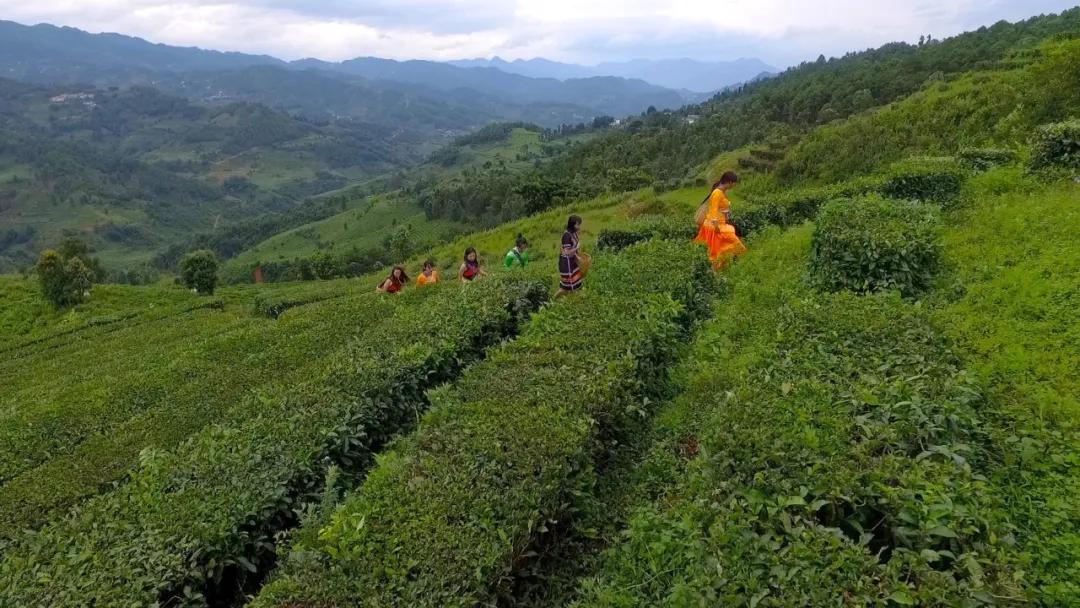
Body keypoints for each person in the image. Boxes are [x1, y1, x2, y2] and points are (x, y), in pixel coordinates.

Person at [693, 171, 747, 270]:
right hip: (715, 225)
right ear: (730, 182)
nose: (734, 185)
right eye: (734, 183)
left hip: (719, 223)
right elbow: (713, 210)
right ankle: (717, 268)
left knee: (723, 246)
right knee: (732, 245)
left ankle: (725, 265)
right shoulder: (717, 193)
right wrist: (716, 227)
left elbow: (720, 208)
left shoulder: (721, 191)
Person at [556, 215, 589, 297]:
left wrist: (578, 258)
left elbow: (574, 250)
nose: (579, 226)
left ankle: (575, 300)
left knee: (577, 283)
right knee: (565, 288)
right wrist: (577, 248)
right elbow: (567, 252)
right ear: (572, 225)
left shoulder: (574, 233)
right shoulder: (566, 236)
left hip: (572, 263)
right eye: (577, 224)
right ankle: (553, 300)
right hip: (566, 265)